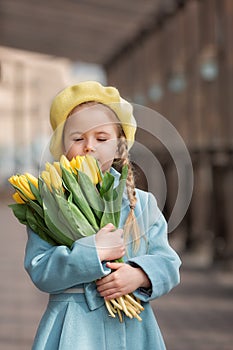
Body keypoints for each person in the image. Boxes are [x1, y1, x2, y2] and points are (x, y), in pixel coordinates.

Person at [24, 81, 181, 349]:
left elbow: (168, 262)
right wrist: (91, 252)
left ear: (120, 147)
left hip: (134, 331)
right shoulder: (49, 205)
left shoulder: (141, 204)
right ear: (62, 147)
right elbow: (41, 270)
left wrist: (140, 275)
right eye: (77, 138)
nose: (89, 146)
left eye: (101, 138)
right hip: (73, 331)